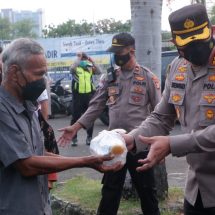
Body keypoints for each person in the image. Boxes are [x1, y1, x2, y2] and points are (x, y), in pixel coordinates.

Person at [0, 38, 122, 215]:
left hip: (39, 207)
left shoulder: (28, 105)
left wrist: (89, 159)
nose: (44, 81)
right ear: (13, 72)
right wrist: (84, 162)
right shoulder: (3, 111)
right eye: (38, 74)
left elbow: (38, 154)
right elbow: (27, 165)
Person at [121, 4, 215, 215]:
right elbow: (162, 116)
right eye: (186, 43)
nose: (196, 46)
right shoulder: (177, 68)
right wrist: (134, 138)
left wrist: (173, 144)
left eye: (200, 38)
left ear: (212, 30)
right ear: (175, 43)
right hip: (196, 189)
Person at [58, 33, 161, 215]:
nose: (115, 55)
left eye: (119, 51)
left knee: (147, 192)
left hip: (140, 144)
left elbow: (159, 113)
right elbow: (95, 106)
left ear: (131, 51)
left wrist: (157, 143)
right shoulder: (109, 78)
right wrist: (75, 127)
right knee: (110, 192)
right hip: (113, 146)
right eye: (113, 52)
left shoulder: (147, 77)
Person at [70, 52, 101, 146]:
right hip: (77, 96)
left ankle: (89, 137)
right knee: (75, 117)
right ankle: (74, 138)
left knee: (89, 117)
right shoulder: (76, 68)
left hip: (89, 96)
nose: (83, 60)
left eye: (84, 59)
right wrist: (78, 58)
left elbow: (99, 71)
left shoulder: (89, 68)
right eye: (82, 59)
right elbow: (71, 69)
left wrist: (92, 60)